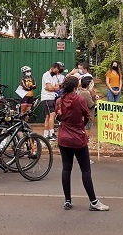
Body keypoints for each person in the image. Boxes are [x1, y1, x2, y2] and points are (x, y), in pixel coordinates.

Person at [56, 76, 109, 211]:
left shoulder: (59, 101)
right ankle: (93, 201)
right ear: (75, 88)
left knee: (66, 169)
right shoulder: (79, 99)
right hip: (78, 137)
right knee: (85, 170)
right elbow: (87, 115)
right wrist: (82, 126)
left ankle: (67, 200)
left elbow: (59, 117)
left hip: (63, 137)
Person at [41, 62, 63, 141]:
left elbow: (57, 88)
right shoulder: (46, 75)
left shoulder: (54, 77)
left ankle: (46, 134)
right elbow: (50, 88)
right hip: (46, 98)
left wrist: (52, 88)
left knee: (48, 116)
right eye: (56, 70)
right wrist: (53, 88)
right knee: (52, 114)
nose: (57, 72)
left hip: (52, 97)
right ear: (52, 68)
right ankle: (52, 133)